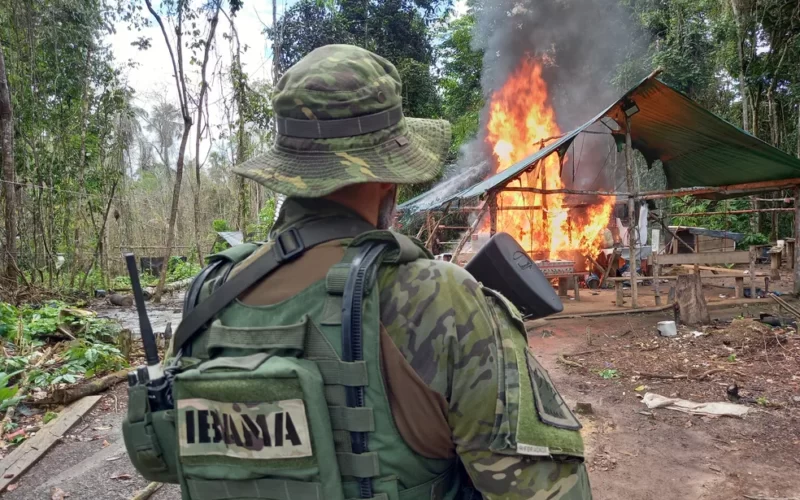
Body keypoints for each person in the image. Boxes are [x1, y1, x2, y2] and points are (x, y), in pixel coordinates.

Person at [186, 44, 591, 499]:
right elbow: (545, 490)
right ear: (386, 176)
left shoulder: (210, 295)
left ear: (290, 171)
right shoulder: (438, 299)